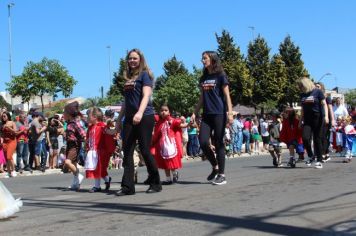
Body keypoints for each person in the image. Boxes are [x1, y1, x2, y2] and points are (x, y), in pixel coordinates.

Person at [115, 48, 161, 195]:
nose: (132, 61)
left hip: (144, 116)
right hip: (129, 118)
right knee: (127, 151)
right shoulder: (128, 78)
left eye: (135, 58)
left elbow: (146, 95)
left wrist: (140, 112)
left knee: (145, 150)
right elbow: (125, 101)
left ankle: (155, 183)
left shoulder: (145, 75)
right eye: (130, 58)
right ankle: (127, 187)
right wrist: (118, 120)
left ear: (140, 59)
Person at [191, 51, 233, 185]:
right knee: (203, 142)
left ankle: (222, 175)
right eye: (202, 58)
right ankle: (215, 166)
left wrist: (230, 113)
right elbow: (202, 98)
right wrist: (194, 112)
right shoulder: (203, 78)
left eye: (205, 58)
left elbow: (227, 96)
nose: (202, 61)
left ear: (212, 59)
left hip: (219, 113)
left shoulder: (220, 75)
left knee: (219, 143)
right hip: (207, 114)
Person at [297, 77, 329, 169]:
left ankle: (319, 160)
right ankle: (311, 156)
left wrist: (326, 116)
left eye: (301, 86)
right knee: (305, 137)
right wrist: (300, 121)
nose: (300, 88)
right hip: (307, 119)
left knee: (317, 139)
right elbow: (303, 108)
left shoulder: (317, 92)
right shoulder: (302, 94)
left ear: (305, 84)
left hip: (317, 117)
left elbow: (324, 104)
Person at [151, 104, 185, 185]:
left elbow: (182, 125)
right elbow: (151, 117)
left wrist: (186, 122)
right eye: (162, 110)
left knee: (171, 162)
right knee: (165, 163)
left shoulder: (173, 121)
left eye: (165, 110)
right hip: (162, 145)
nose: (163, 112)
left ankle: (174, 174)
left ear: (169, 112)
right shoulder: (158, 122)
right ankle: (168, 179)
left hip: (171, 145)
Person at [63, 101, 86, 191]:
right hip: (69, 144)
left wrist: (86, 141)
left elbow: (83, 133)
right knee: (74, 164)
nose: (63, 114)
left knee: (67, 162)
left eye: (64, 112)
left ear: (69, 114)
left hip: (74, 146)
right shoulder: (69, 123)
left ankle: (78, 175)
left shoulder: (76, 123)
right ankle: (76, 183)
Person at [1, 112, 17, 178]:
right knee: (6, 158)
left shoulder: (12, 123)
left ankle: (13, 171)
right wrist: (2, 140)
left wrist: (8, 127)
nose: (3, 117)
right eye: (2, 116)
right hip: (5, 142)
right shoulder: (2, 124)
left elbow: (15, 132)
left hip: (12, 141)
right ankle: (9, 172)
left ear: (8, 116)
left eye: (4, 116)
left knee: (9, 156)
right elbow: (2, 134)